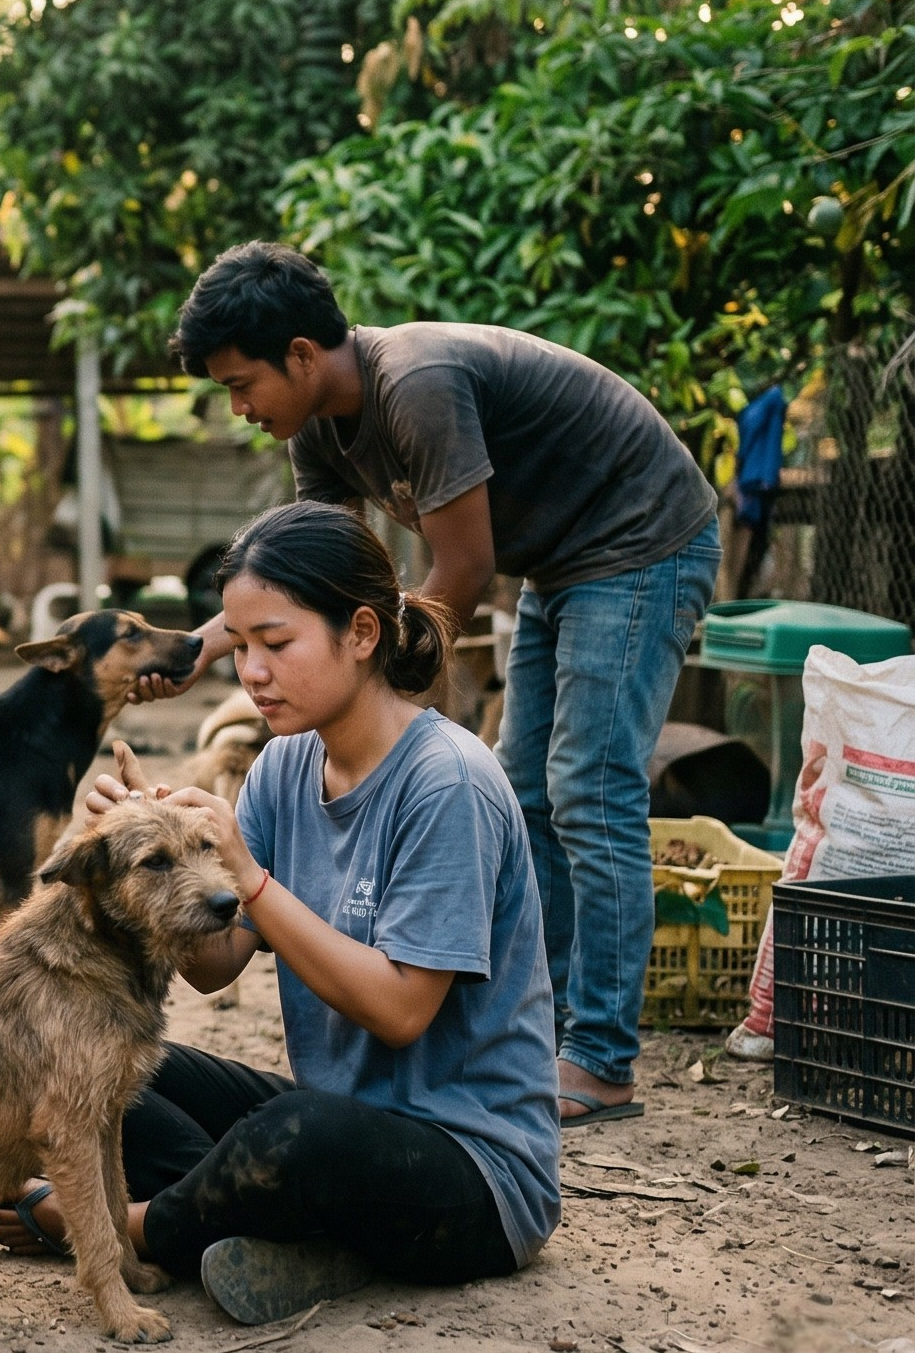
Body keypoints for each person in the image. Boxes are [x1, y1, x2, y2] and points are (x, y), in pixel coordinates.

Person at [150, 243, 720, 1127]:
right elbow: (319, 581)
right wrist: (200, 645)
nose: (238, 408)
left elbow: (463, 565)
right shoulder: (319, 427)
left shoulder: (413, 383)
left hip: (639, 535)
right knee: (524, 792)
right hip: (558, 561)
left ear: (302, 355)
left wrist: (395, 706)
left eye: (241, 384)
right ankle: (549, 1028)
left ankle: (601, 1056)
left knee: (589, 791)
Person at [0, 502, 560, 1325]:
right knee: (103, 1069)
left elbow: (400, 1012)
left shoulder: (447, 783)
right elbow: (216, 966)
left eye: (276, 644)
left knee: (301, 1136)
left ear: (362, 633)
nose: (250, 671)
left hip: (471, 1174)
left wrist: (249, 878)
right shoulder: (286, 766)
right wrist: (149, 868)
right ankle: (277, 1235)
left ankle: (128, 1231)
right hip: (336, 1133)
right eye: (241, 645)